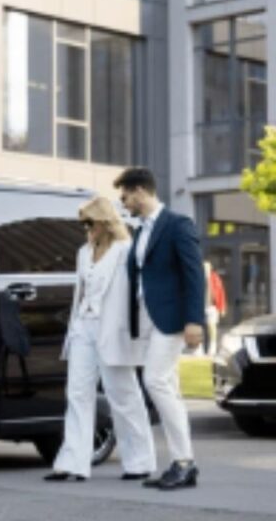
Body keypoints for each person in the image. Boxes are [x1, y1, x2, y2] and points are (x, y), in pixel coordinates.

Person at [45, 197, 156, 482]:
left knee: (123, 395)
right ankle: (72, 463)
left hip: (113, 330)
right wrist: (76, 326)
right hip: (83, 327)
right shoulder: (83, 252)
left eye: (90, 223)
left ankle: (140, 462)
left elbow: (139, 292)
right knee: (77, 393)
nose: (87, 229)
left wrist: (141, 331)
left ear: (105, 223)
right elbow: (82, 292)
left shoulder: (125, 250)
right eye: (84, 224)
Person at [115, 167, 205, 491]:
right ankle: (182, 464)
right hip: (147, 320)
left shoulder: (177, 224)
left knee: (154, 380)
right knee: (169, 387)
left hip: (171, 319)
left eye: (125, 196)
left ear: (140, 191)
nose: (124, 203)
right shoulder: (141, 230)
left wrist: (194, 320)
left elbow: (194, 274)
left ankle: (184, 462)